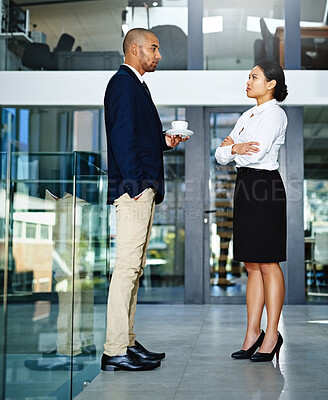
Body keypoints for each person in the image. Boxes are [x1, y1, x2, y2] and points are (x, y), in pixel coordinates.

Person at [102, 28, 188, 371]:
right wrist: (136, 186)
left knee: (134, 270)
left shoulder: (137, 85)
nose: (159, 54)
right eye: (154, 48)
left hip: (141, 187)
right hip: (134, 190)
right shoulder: (122, 83)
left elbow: (136, 135)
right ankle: (113, 351)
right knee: (125, 270)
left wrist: (162, 142)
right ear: (135, 50)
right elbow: (122, 136)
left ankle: (128, 342)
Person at [215, 61, 288, 362]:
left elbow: (256, 152)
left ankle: (272, 334)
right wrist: (234, 148)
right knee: (250, 264)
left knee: (268, 262)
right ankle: (252, 333)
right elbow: (220, 155)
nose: (248, 81)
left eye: (254, 77)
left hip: (265, 186)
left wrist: (236, 146)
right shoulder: (247, 115)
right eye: (248, 76)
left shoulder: (275, 114)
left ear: (270, 84)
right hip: (244, 185)